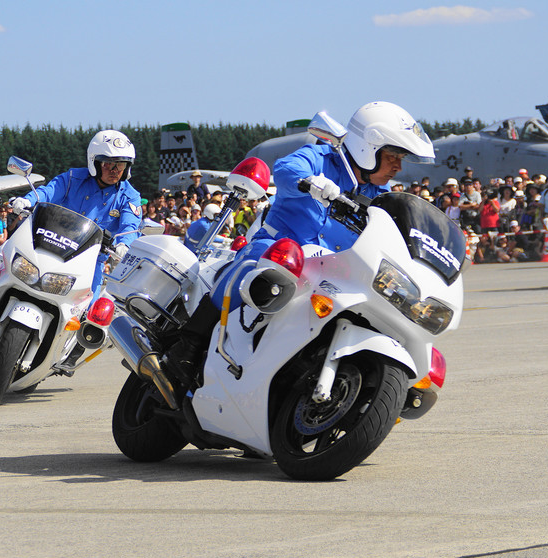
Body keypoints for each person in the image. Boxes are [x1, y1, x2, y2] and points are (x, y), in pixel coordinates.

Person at [164, 101, 435, 388]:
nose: (398, 165)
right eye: (393, 155)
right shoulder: (320, 158)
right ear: (370, 148)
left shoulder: (379, 196)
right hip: (280, 248)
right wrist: (310, 182)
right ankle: (189, 344)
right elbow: (284, 169)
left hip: (328, 269)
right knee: (256, 265)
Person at [9, 129, 143, 294]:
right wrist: (28, 200)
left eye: (120, 165)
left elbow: (130, 225)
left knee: (88, 314)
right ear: (94, 162)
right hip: (52, 249)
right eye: (108, 164)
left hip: (90, 263)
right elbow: (48, 192)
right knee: (12, 283)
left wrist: (124, 244)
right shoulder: (72, 178)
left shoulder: (130, 197)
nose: (114, 170)